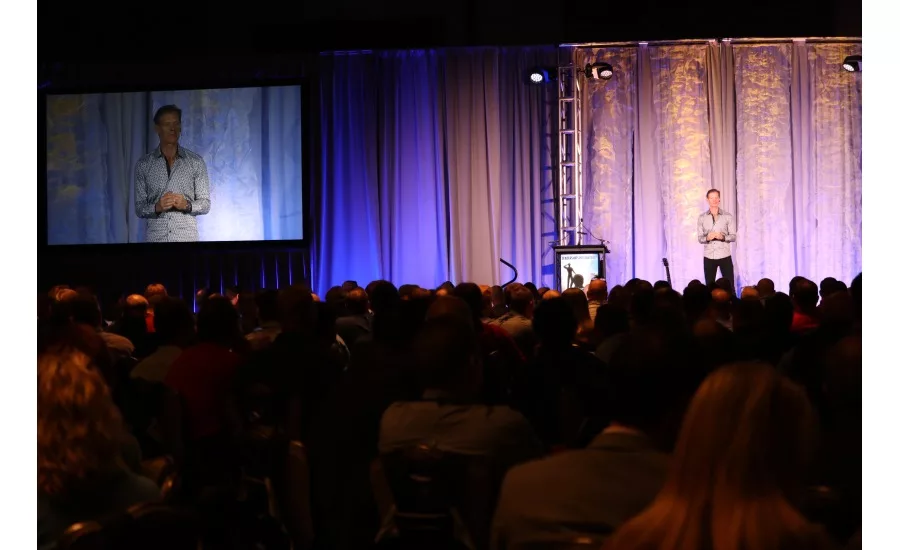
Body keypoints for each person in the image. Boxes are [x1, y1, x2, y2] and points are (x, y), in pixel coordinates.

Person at [134, 105, 211, 242]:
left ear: (180, 127)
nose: (172, 128)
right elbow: (139, 208)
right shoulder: (144, 164)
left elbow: (205, 204)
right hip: (156, 239)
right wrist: (157, 207)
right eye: (167, 124)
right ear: (157, 128)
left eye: (176, 124)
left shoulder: (196, 162)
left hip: (187, 240)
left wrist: (187, 205)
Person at [697, 188, 736, 288]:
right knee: (709, 286)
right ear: (707, 200)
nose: (714, 200)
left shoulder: (727, 216)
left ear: (719, 199)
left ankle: (732, 302)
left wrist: (722, 237)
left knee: (730, 285)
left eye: (716, 197)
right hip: (709, 256)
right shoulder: (702, 217)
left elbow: (733, 236)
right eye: (711, 198)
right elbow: (700, 238)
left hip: (724, 255)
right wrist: (707, 238)